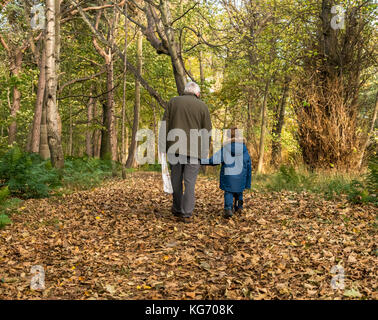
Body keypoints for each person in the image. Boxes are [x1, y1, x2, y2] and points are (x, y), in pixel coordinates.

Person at [159, 82, 212, 223]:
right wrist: (204, 152)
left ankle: (177, 208)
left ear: (185, 91)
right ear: (197, 93)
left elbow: (164, 125)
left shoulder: (173, 102)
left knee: (176, 180)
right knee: (190, 182)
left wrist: (162, 147)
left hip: (174, 149)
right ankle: (186, 213)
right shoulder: (203, 107)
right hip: (194, 152)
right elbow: (207, 131)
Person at [201, 127, 251, 218]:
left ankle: (228, 208)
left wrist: (201, 161)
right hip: (241, 177)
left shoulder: (225, 149)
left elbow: (214, 161)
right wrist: (248, 181)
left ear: (228, 136)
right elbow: (248, 165)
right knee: (239, 192)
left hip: (228, 177)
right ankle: (239, 207)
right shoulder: (244, 150)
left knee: (229, 192)